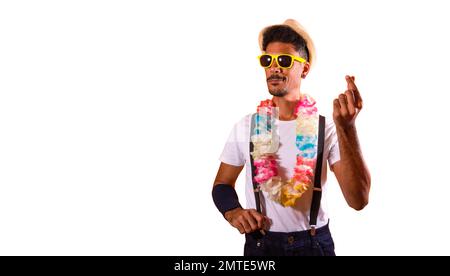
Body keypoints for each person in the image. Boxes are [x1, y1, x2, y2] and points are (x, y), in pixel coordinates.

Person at [212, 19, 371, 256]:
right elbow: (222, 184)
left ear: (304, 68)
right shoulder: (247, 126)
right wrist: (233, 211)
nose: (274, 67)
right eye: (268, 60)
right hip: (261, 246)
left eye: (284, 61)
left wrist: (346, 128)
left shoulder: (326, 128)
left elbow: (358, 200)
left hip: (314, 244)